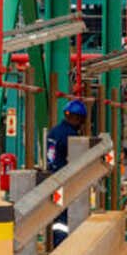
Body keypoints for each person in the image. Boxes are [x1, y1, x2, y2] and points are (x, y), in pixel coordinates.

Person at [45, 99, 88, 243]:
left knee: (56, 215)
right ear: (79, 118)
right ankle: (62, 244)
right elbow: (78, 159)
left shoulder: (54, 132)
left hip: (52, 177)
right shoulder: (71, 136)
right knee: (63, 217)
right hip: (64, 179)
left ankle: (56, 242)